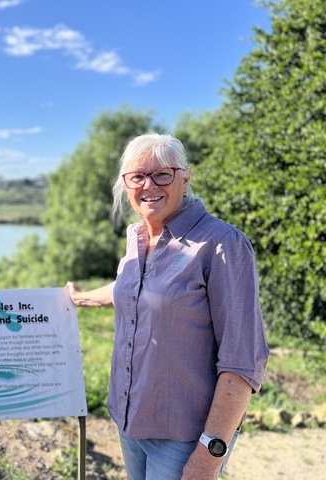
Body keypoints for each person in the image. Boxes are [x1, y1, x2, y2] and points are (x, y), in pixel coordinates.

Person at [67, 133, 269, 480]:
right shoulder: (138, 237)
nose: (149, 185)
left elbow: (243, 361)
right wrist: (79, 298)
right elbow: (134, 289)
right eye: (137, 176)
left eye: (162, 174)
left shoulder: (221, 244)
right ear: (126, 185)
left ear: (185, 179)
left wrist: (208, 458)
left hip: (184, 439)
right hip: (131, 424)